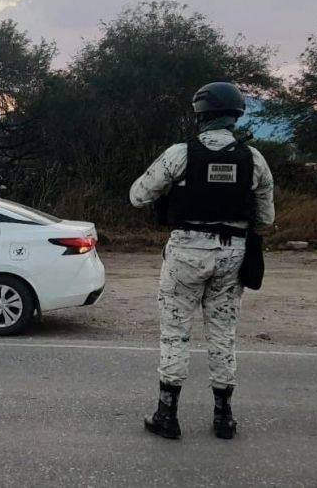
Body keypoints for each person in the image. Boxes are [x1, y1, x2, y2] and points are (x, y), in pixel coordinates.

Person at [130, 82, 275, 440]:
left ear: (201, 115)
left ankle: (168, 415)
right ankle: (223, 418)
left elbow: (138, 195)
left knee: (176, 332)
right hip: (233, 253)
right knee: (223, 334)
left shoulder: (181, 153)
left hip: (186, 251)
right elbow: (266, 218)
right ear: (236, 115)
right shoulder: (253, 158)